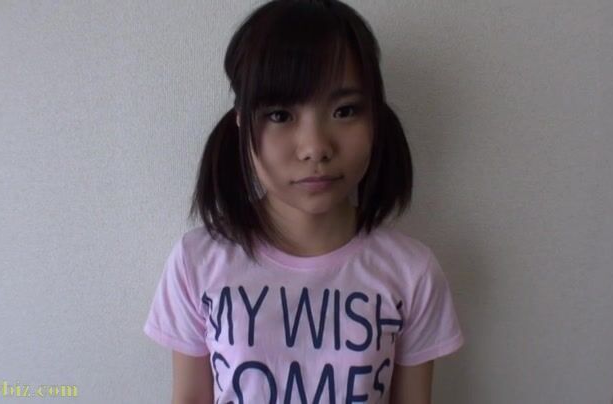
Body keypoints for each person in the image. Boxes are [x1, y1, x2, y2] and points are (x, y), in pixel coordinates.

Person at [143, 0, 464, 402]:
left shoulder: (412, 271)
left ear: (374, 118)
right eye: (280, 115)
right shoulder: (197, 261)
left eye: (345, 111)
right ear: (242, 120)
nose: (315, 147)